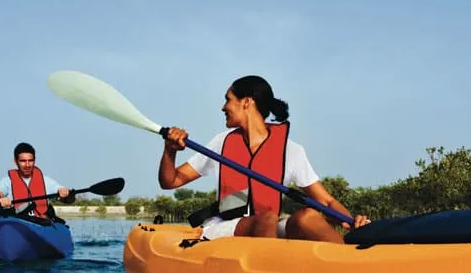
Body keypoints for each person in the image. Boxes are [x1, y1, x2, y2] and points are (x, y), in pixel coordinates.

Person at [158, 75, 369, 243]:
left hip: (267, 229)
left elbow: (326, 201)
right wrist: (170, 151)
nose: (223, 107)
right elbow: (171, 181)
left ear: (247, 102)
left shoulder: (291, 150)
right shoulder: (220, 143)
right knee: (267, 219)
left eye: (228, 99)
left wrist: (351, 220)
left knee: (309, 217)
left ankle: (352, 262)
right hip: (224, 228)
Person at [0, 142, 72, 218]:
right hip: (16, 222)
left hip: (40, 222)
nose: (27, 165)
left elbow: (69, 200)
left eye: (30, 161)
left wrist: (65, 193)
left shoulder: (46, 181)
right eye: (23, 161)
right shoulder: (7, 181)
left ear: (34, 161)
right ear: (15, 161)